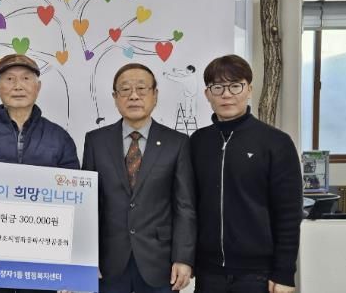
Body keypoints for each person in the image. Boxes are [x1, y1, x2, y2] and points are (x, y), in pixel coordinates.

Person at [0, 53, 80, 293]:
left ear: (38, 87)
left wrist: (71, 267)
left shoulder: (60, 139)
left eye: (26, 78)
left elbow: (75, 205)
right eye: (9, 79)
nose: (18, 86)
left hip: (43, 260)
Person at [190, 55, 302, 293]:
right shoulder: (197, 142)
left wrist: (284, 273)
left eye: (235, 86)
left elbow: (289, 214)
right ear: (207, 94)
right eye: (217, 87)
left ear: (249, 89)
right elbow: (188, 206)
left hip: (257, 275)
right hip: (208, 273)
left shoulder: (276, 142)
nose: (226, 94)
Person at [82, 63, 196, 293]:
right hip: (108, 262)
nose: (134, 96)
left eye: (142, 89)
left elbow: (184, 206)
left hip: (160, 261)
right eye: (125, 89)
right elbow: (89, 205)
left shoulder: (177, 143)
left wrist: (183, 257)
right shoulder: (96, 141)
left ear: (155, 95)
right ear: (115, 97)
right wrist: (86, 257)